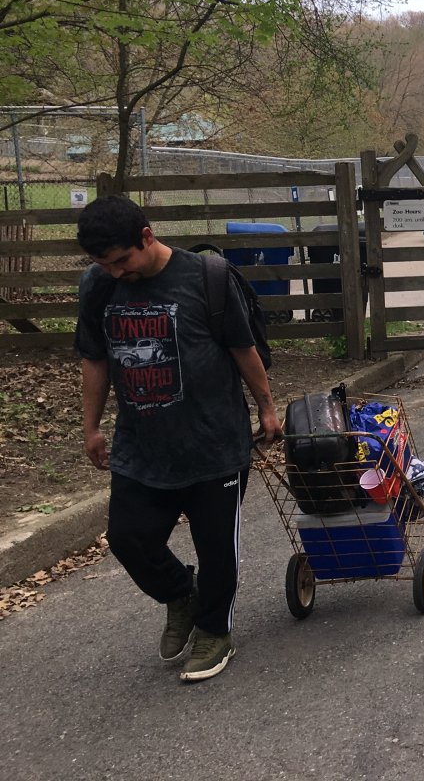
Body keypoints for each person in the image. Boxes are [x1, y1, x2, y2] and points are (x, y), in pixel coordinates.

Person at [73, 195, 281, 682]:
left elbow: (243, 349)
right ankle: (180, 594)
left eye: (122, 260)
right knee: (128, 538)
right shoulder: (98, 284)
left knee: (216, 549)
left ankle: (214, 631)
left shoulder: (207, 277)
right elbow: (95, 358)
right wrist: (91, 426)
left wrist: (267, 406)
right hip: (142, 446)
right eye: (104, 263)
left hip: (214, 443)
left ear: (147, 236)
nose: (116, 272)